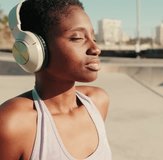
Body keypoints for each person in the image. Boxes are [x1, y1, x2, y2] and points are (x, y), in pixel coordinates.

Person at [0, 0, 112, 159]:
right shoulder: (13, 123)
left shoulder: (97, 102)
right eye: (77, 37)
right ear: (35, 48)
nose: (95, 48)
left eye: (93, 37)